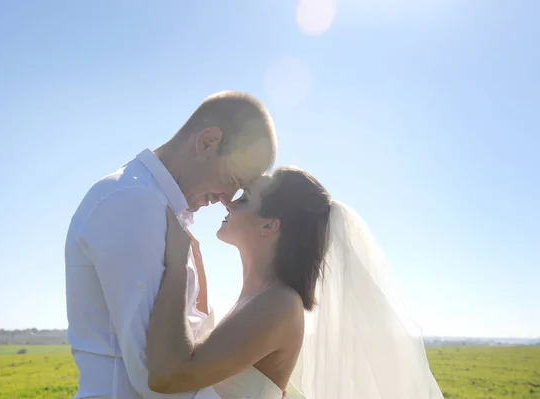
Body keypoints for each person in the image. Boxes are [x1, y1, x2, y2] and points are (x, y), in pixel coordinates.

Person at [147, 167, 445, 399]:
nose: (228, 202)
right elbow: (201, 341)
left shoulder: (279, 303)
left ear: (269, 225)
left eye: (245, 198)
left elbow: (171, 376)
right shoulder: (261, 297)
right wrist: (192, 261)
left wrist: (176, 267)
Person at [65, 91, 277, 399]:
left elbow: (187, 341)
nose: (226, 201)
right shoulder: (133, 201)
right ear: (208, 142)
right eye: (233, 179)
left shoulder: (155, 204)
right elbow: (155, 376)